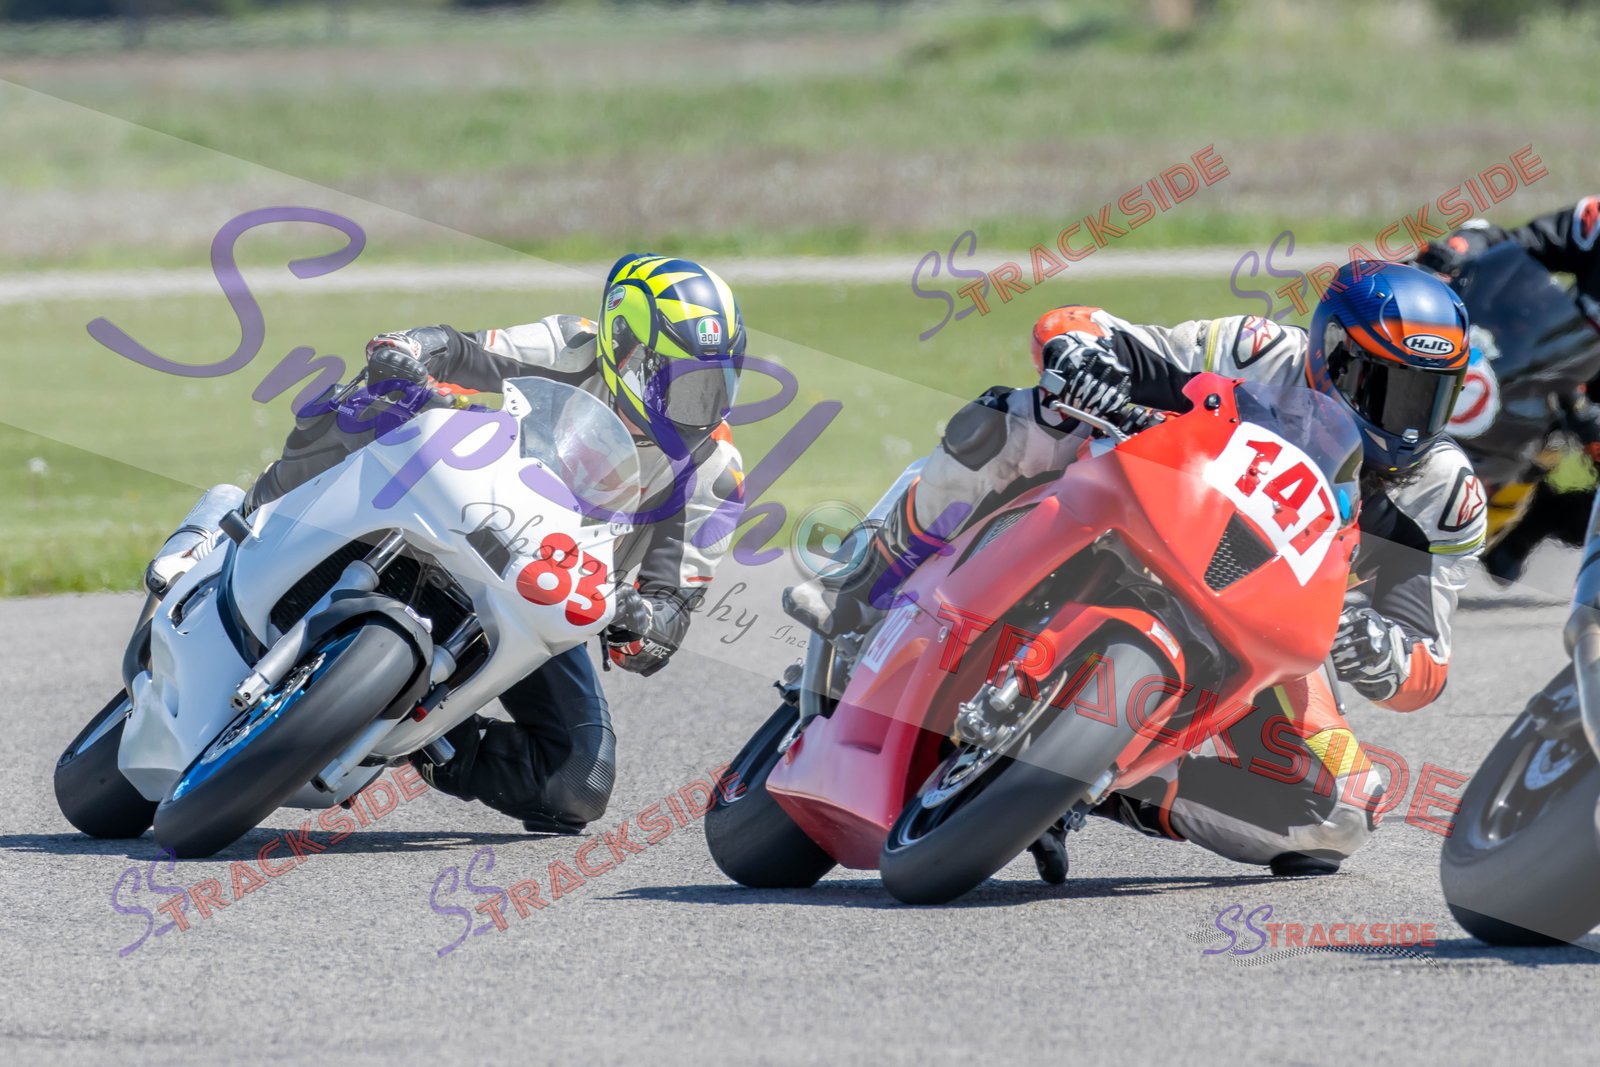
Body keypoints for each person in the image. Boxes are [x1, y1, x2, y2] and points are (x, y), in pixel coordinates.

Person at [785, 261, 1482, 880]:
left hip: (1274, 615)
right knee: (1020, 416)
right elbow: (1089, 327)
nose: (1408, 421)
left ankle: (1100, 782)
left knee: (1343, 813)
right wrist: (1080, 355)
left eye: (1431, 396)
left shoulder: (1445, 494)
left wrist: (1384, 654)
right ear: (1331, 354)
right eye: (1388, 388)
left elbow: (1427, 658)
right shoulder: (1255, 349)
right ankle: (865, 580)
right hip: (1158, 499)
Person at [152, 253, 747, 835]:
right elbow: (459, 349)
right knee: (372, 403)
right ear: (627, 351)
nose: (698, 408)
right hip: (458, 505)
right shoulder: (574, 344)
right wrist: (405, 352)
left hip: (536, 590)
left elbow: (671, 612)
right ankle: (228, 523)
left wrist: (642, 622)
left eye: (715, 386)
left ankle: (414, 731)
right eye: (681, 382)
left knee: (577, 784)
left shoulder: (715, 472)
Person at [1415, 199, 1600, 582]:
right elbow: (1506, 239)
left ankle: (1534, 526)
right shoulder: (1595, 223)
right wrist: (1459, 250)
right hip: (1552, 362)